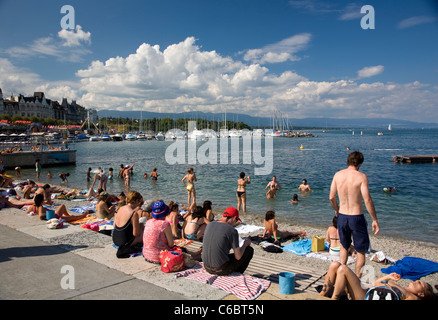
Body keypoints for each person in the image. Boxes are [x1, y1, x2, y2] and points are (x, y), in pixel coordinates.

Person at [329, 151, 379, 277]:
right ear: (360, 163)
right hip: (356, 217)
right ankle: (356, 280)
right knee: (361, 251)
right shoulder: (361, 177)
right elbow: (367, 199)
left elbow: (331, 197)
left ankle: (342, 275)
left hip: (342, 216)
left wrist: (337, 209)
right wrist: (374, 220)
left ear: (348, 161)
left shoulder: (337, 175)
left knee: (344, 247)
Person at [319, 261, 435, 300]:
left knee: (343, 269)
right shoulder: (400, 288)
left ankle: (334, 298)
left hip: (365, 297)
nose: (417, 281)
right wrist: (388, 277)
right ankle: (322, 295)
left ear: (421, 294)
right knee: (335, 265)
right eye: (420, 281)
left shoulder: (411, 297)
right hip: (366, 290)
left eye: (421, 284)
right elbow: (376, 284)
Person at [202, 207, 254, 276]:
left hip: (206, 266)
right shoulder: (232, 231)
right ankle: (237, 273)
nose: (235, 223)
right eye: (236, 221)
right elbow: (238, 257)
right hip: (219, 269)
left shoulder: (210, 224)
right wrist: (245, 243)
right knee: (249, 250)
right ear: (234, 218)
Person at [112, 190, 144, 258]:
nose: (139, 204)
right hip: (124, 242)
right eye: (139, 202)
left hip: (115, 239)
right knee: (142, 226)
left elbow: (114, 225)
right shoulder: (133, 214)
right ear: (136, 200)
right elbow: (136, 234)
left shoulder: (120, 208)